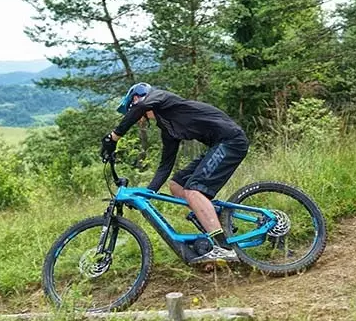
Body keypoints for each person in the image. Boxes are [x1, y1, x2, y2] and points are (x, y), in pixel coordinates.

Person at [101, 83, 249, 264]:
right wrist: (148, 193)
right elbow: (165, 166)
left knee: (193, 191)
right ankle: (215, 219)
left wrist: (114, 137)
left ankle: (224, 248)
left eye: (132, 110)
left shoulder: (163, 98)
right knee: (176, 185)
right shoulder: (168, 128)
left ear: (137, 99)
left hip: (231, 141)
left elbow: (142, 106)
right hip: (218, 145)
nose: (137, 118)